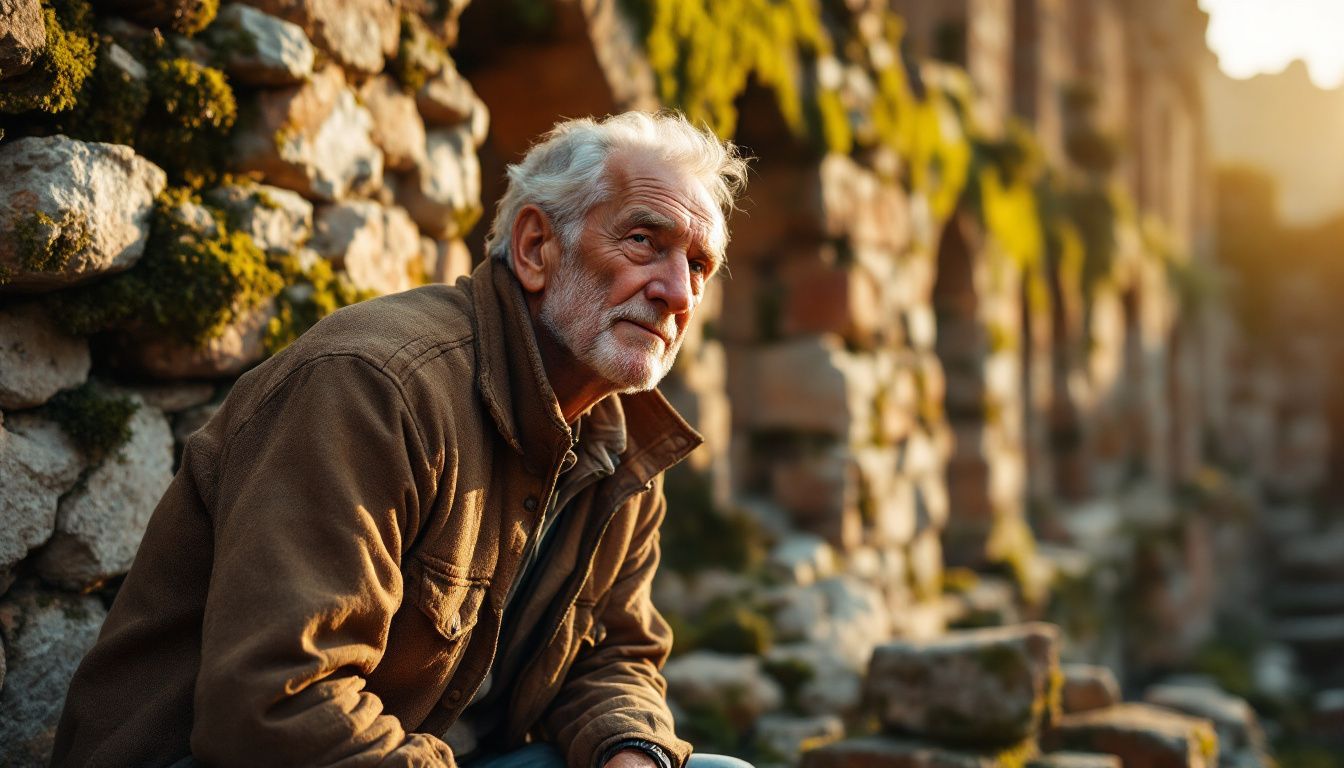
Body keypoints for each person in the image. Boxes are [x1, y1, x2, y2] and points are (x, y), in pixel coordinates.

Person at [52, 111, 752, 768]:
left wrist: (626, 748)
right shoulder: (374, 387)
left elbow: (613, 654)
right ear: (537, 247)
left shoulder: (625, 443)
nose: (679, 294)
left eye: (697, 265)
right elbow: (277, 706)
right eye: (643, 242)